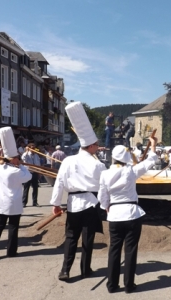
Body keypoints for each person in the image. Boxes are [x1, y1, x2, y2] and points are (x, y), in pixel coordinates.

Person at [50, 101, 106, 281]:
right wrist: (106, 204)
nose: (97, 147)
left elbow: (59, 183)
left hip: (73, 204)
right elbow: (105, 185)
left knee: (71, 238)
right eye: (96, 145)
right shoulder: (98, 164)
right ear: (90, 146)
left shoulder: (67, 161)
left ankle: (65, 270)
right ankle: (85, 269)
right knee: (87, 239)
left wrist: (56, 204)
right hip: (90, 204)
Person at [98, 137, 158, 294]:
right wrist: (153, 145)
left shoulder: (105, 174)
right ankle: (129, 285)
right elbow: (151, 160)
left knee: (114, 250)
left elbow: (102, 196)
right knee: (130, 250)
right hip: (132, 213)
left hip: (115, 214)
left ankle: (112, 285)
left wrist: (106, 207)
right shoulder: (131, 171)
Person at [0, 127, 32, 257]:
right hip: (14, 203)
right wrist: (23, 166)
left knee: (0, 227)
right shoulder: (16, 171)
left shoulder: (1, 169)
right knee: (13, 228)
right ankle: (11, 252)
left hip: (1, 202)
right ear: (13, 159)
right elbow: (28, 177)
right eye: (17, 158)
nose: (19, 159)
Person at [21, 143, 41, 207]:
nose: (33, 149)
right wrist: (26, 151)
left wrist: (39, 172)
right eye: (32, 148)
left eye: (34, 148)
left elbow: (38, 163)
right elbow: (23, 159)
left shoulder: (36, 155)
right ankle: (24, 202)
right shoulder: (26, 154)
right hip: (28, 172)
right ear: (29, 148)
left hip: (35, 173)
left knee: (35, 188)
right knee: (26, 188)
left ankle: (35, 202)